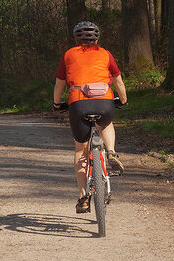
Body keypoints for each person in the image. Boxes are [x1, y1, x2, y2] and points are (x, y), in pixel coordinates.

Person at [52, 19, 128, 213]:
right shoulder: (106, 54)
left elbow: (59, 84)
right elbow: (118, 82)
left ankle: (83, 197)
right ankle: (111, 152)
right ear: (97, 39)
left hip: (78, 103)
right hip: (104, 101)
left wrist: (56, 103)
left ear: (76, 39)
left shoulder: (69, 54)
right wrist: (123, 100)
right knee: (106, 124)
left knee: (80, 150)